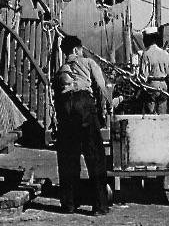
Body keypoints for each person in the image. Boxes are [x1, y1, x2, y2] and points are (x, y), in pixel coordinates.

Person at [53, 35, 113, 215]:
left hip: (65, 108)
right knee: (94, 155)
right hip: (84, 105)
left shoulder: (60, 71)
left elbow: (56, 96)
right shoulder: (88, 62)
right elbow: (102, 87)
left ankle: (69, 205)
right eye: (80, 49)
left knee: (68, 157)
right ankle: (100, 206)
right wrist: (108, 106)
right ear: (76, 50)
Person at [139, 26, 169, 114]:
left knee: (151, 115)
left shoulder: (146, 54)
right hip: (163, 85)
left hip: (152, 85)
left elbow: (143, 75)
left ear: (147, 39)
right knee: (162, 114)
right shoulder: (165, 54)